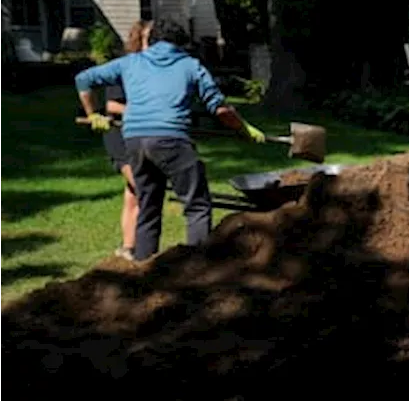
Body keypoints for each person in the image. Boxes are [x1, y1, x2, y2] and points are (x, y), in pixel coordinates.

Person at [75, 19, 267, 262]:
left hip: (134, 141)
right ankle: (197, 267)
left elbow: (83, 79)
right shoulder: (190, 66)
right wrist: (244, 128)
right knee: (197, 205)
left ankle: (144, 266)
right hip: (171, 140)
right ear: (182, 44)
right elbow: (220, 109)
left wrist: (92, 114)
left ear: (151, 40)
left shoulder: (130, 62)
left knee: (148, 207)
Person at [97, 20, 152, 261]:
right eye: (150, 38)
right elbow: (112, 105)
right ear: (138, 40)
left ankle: (128, 247)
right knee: (143, 189)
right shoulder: (123, 69)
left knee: (132, 194)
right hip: (120, 137)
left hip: (141, 138)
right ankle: (143, 250)